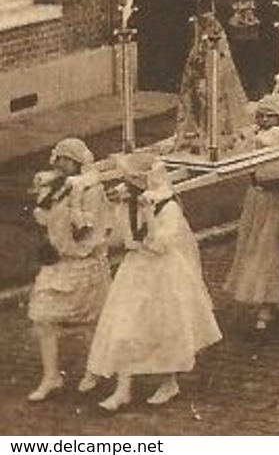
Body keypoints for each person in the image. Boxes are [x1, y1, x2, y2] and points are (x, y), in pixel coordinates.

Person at [86, 159, 221, 411]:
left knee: (163, 326)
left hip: (163, 272)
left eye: (132, 181)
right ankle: (122, 388)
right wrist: (117, 209)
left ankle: (169, 382)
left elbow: (160, 245)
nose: (126, 186)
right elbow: (122, 240)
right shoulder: (129, 205)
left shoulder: (168, 207)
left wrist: (148, 214)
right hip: (135, 269)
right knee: (124, 325)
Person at [26, 138, 111, 402]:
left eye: (66, 160)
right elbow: (44, 218)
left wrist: (74, 202)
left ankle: (94, 371)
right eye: (58, 159)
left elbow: (85, 230)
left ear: (77, 162)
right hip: (58, 265)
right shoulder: (56, 186)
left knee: (89, 323)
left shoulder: (91, 190)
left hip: (83, 265)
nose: (60, 164)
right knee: (42, 316)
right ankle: (51, 376)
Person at [224, 99, 279, 336]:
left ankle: (268, 306)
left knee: (272, 251)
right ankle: (269, 300)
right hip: (257, 198)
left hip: (278, 198)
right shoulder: (253, 138)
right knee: (253, 249)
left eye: (269, 116)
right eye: (260, 116)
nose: (264, 121)